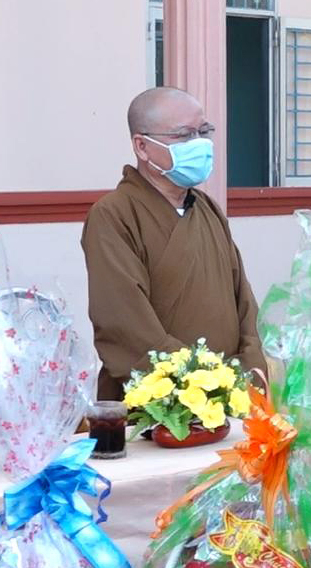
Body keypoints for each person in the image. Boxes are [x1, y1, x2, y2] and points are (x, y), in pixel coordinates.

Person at [81, 86, 266, 400]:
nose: (199, 144)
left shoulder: (207, 209)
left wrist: (246, 372)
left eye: (203, 132)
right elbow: (125, 326)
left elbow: (244, 303)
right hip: (161, 408)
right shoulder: (113, 215)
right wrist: (206, 388)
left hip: (231, 400)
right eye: (184, 135)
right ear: (142, 146)